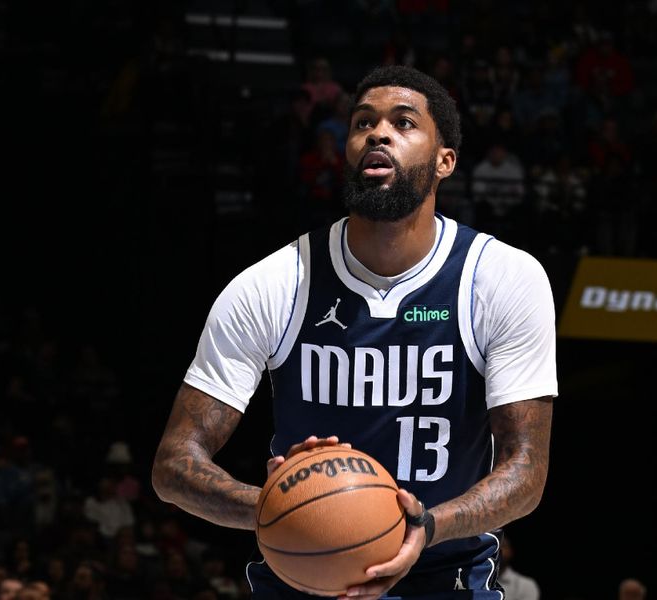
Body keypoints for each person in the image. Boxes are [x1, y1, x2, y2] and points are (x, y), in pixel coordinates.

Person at [152, 65, 557, 599]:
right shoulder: (274, 283)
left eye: (404, 122)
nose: (378, 133)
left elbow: (525, 473)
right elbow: (174, 464)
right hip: (303, 578)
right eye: (363, 122)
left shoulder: (501, 277)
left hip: (442, 572)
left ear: (445, 161)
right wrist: (286, 504)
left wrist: (426, 525)